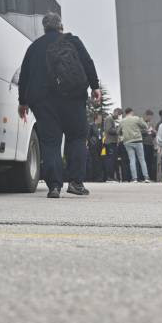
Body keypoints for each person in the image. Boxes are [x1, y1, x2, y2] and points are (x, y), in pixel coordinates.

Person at [18, 13, 101, 198]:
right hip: (73, 98)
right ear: (60, 26)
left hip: (43, 101)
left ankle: (54, 186)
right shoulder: (72, 41)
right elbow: (88, 62)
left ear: (44, 27)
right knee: (78, 138)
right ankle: (76, 183)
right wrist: (95, 87)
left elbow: (25, 75)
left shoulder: (34, 47)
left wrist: (22, 101)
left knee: (50, 142)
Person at [120, 108, 151, 183]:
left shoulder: (122, 121)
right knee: (142, 159)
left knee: (132, 160)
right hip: (137, 140)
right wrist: (139, 129)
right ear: (131, 112)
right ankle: (146, 177)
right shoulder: (136, 118)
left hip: (127, 142)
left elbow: (118, 131)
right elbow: (145, 126)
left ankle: (134, 178)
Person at [143, 110, 160, 181]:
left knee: (151, 161)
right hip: (144, 144)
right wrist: (146, 131)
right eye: (150, 117)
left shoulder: (151, 123)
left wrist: (154, 132)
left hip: (151, 144)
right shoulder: (142, 123)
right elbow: (140, 132)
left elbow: (154, 134)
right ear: (147, 116)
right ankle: (145, 176)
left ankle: (151, 177)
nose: (151, 118)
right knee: (145, 161)